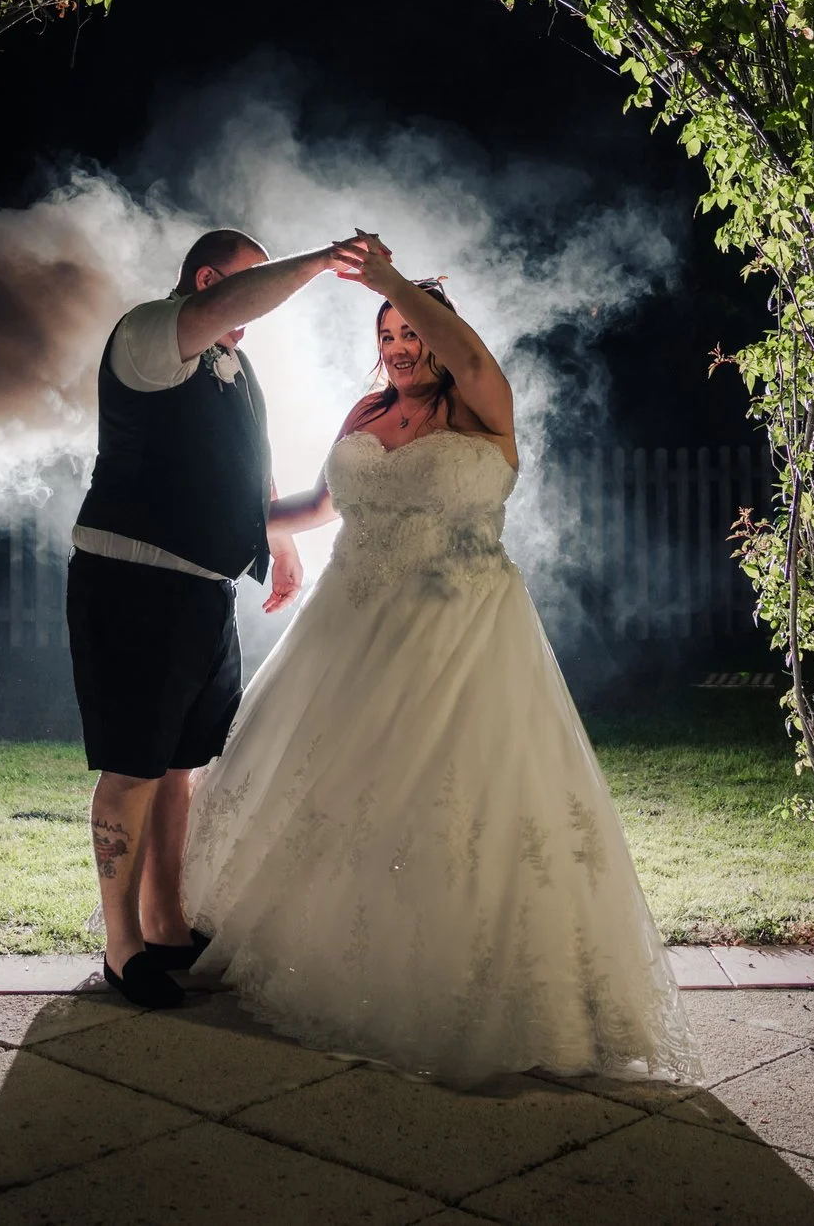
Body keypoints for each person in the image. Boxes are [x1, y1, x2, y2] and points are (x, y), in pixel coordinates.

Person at [181, 234, 700, 1084]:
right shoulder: (365, 413)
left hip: (463, 637)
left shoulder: (483, 406)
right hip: (348, 637)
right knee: (338, 796)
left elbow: (470, 356)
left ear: (441, 335)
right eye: (386, 335)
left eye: (412, 332)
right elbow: (316, 503)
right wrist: (236, 519)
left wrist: (388, 279)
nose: (398, 347)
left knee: (462, 808)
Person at [69, 225, 366, 1009]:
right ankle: (121, 947)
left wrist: (279, 540)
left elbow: (249, 473)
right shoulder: (148, 332)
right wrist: (320, 260)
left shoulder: (237, 368)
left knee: (181, 767)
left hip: (205, 592)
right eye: (246, 287)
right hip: (132, 581)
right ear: (207, 282)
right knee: (133, 767)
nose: (256, 314)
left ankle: (167, 927)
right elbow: (226, 311)